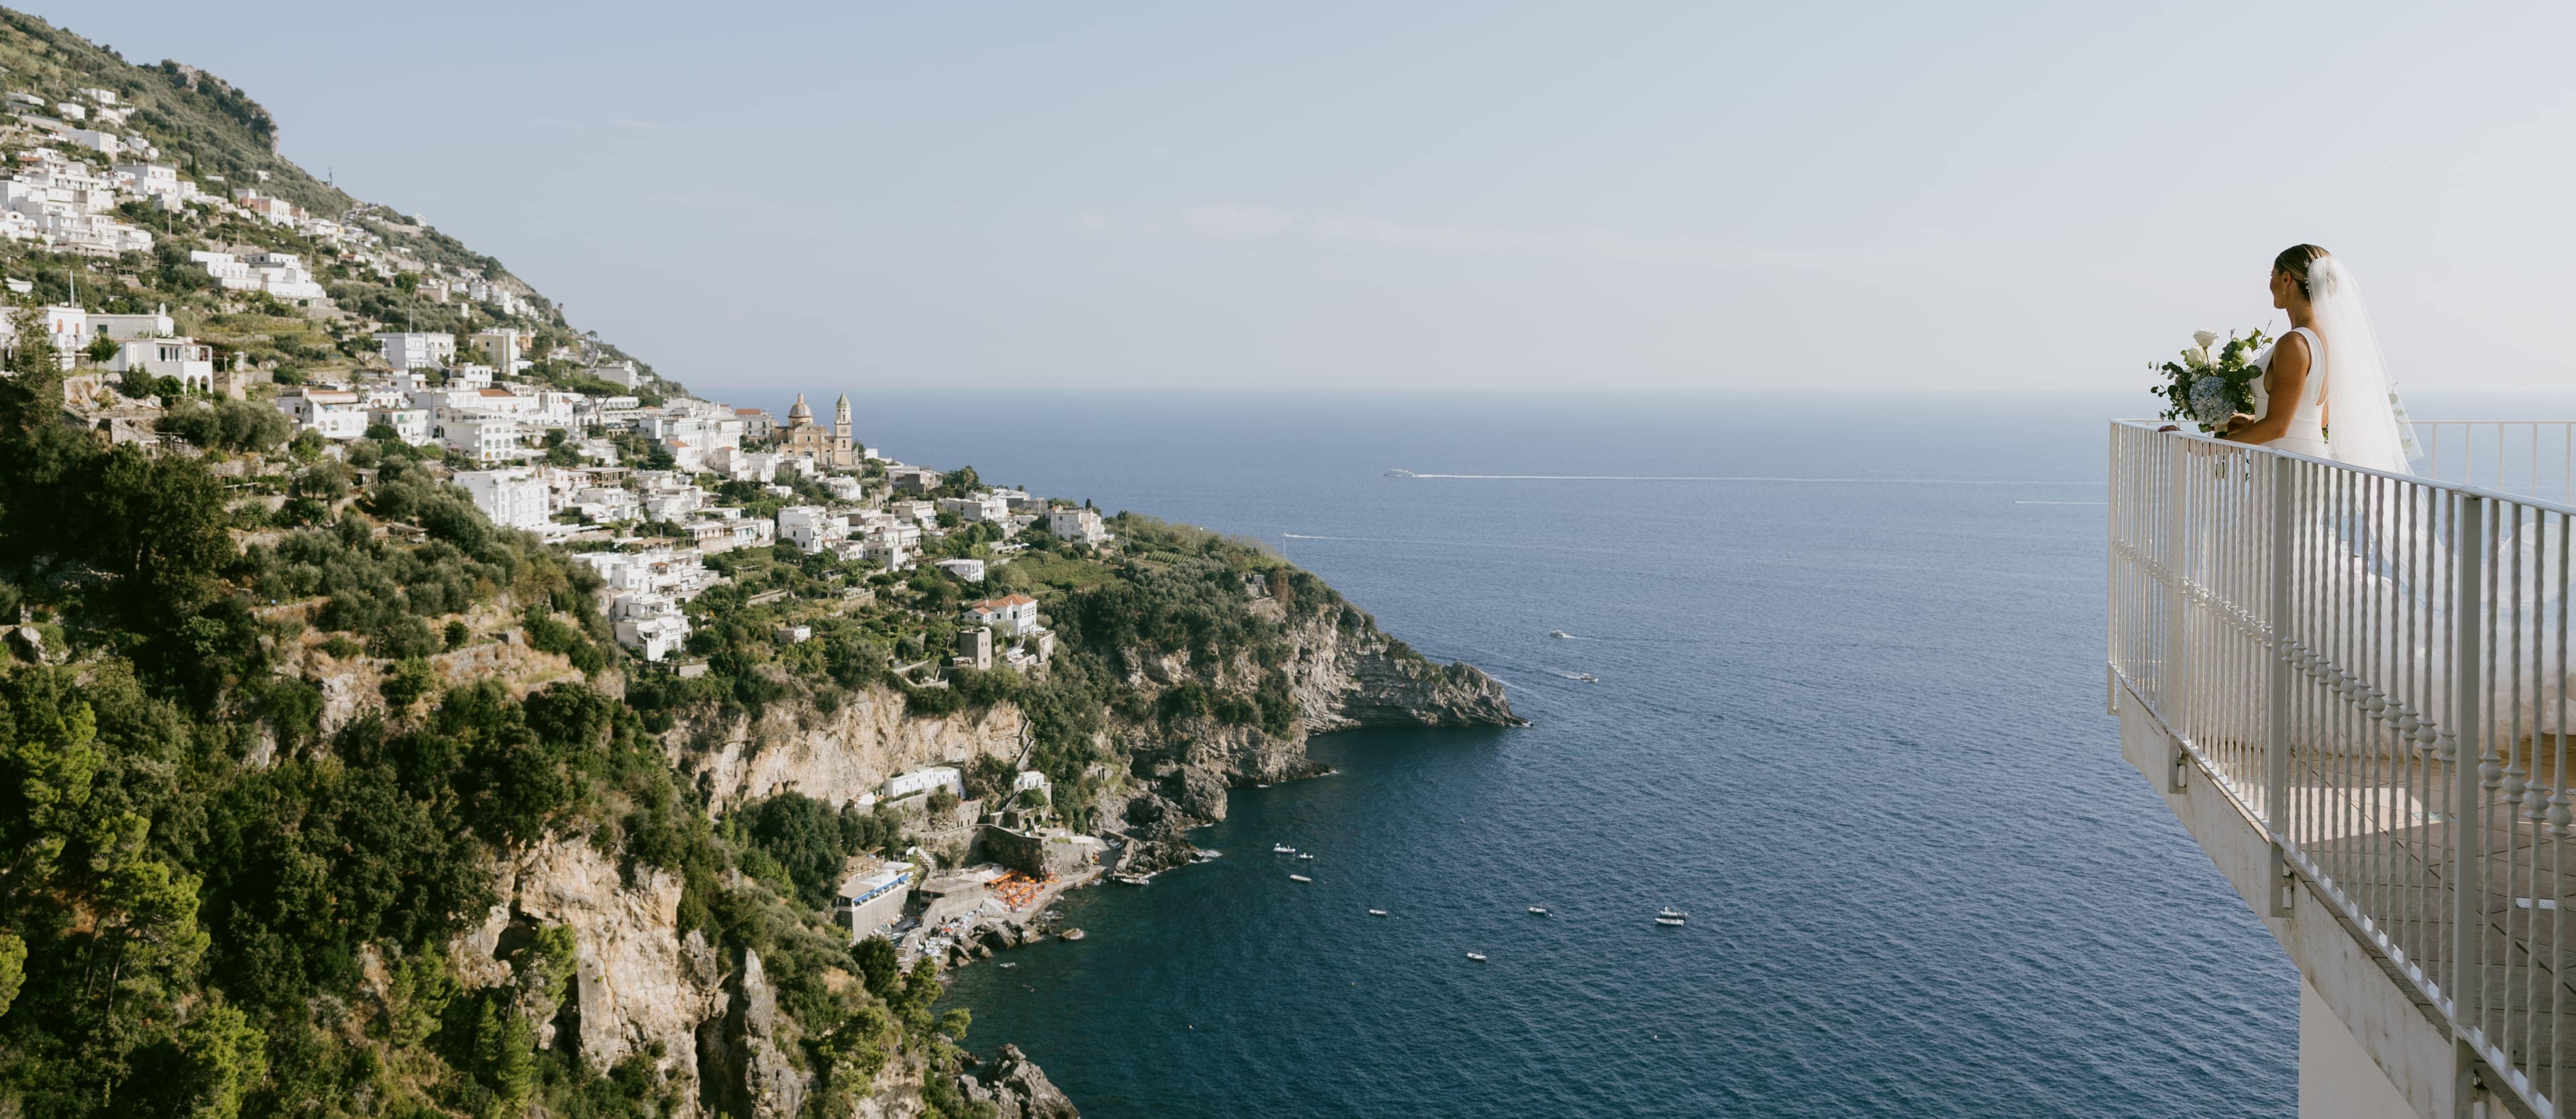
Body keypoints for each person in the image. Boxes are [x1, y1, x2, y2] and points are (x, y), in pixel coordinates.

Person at [2218, 244, 2416, 474]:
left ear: (2286, 279)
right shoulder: (2329, 341)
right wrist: (2253, 420)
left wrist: (2211, 448)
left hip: (2288, 467)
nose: (2269, 283)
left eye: (2272, 275)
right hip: (2305, 463)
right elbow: (2316, 419)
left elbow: (2278, 427)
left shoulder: (2294, 343)